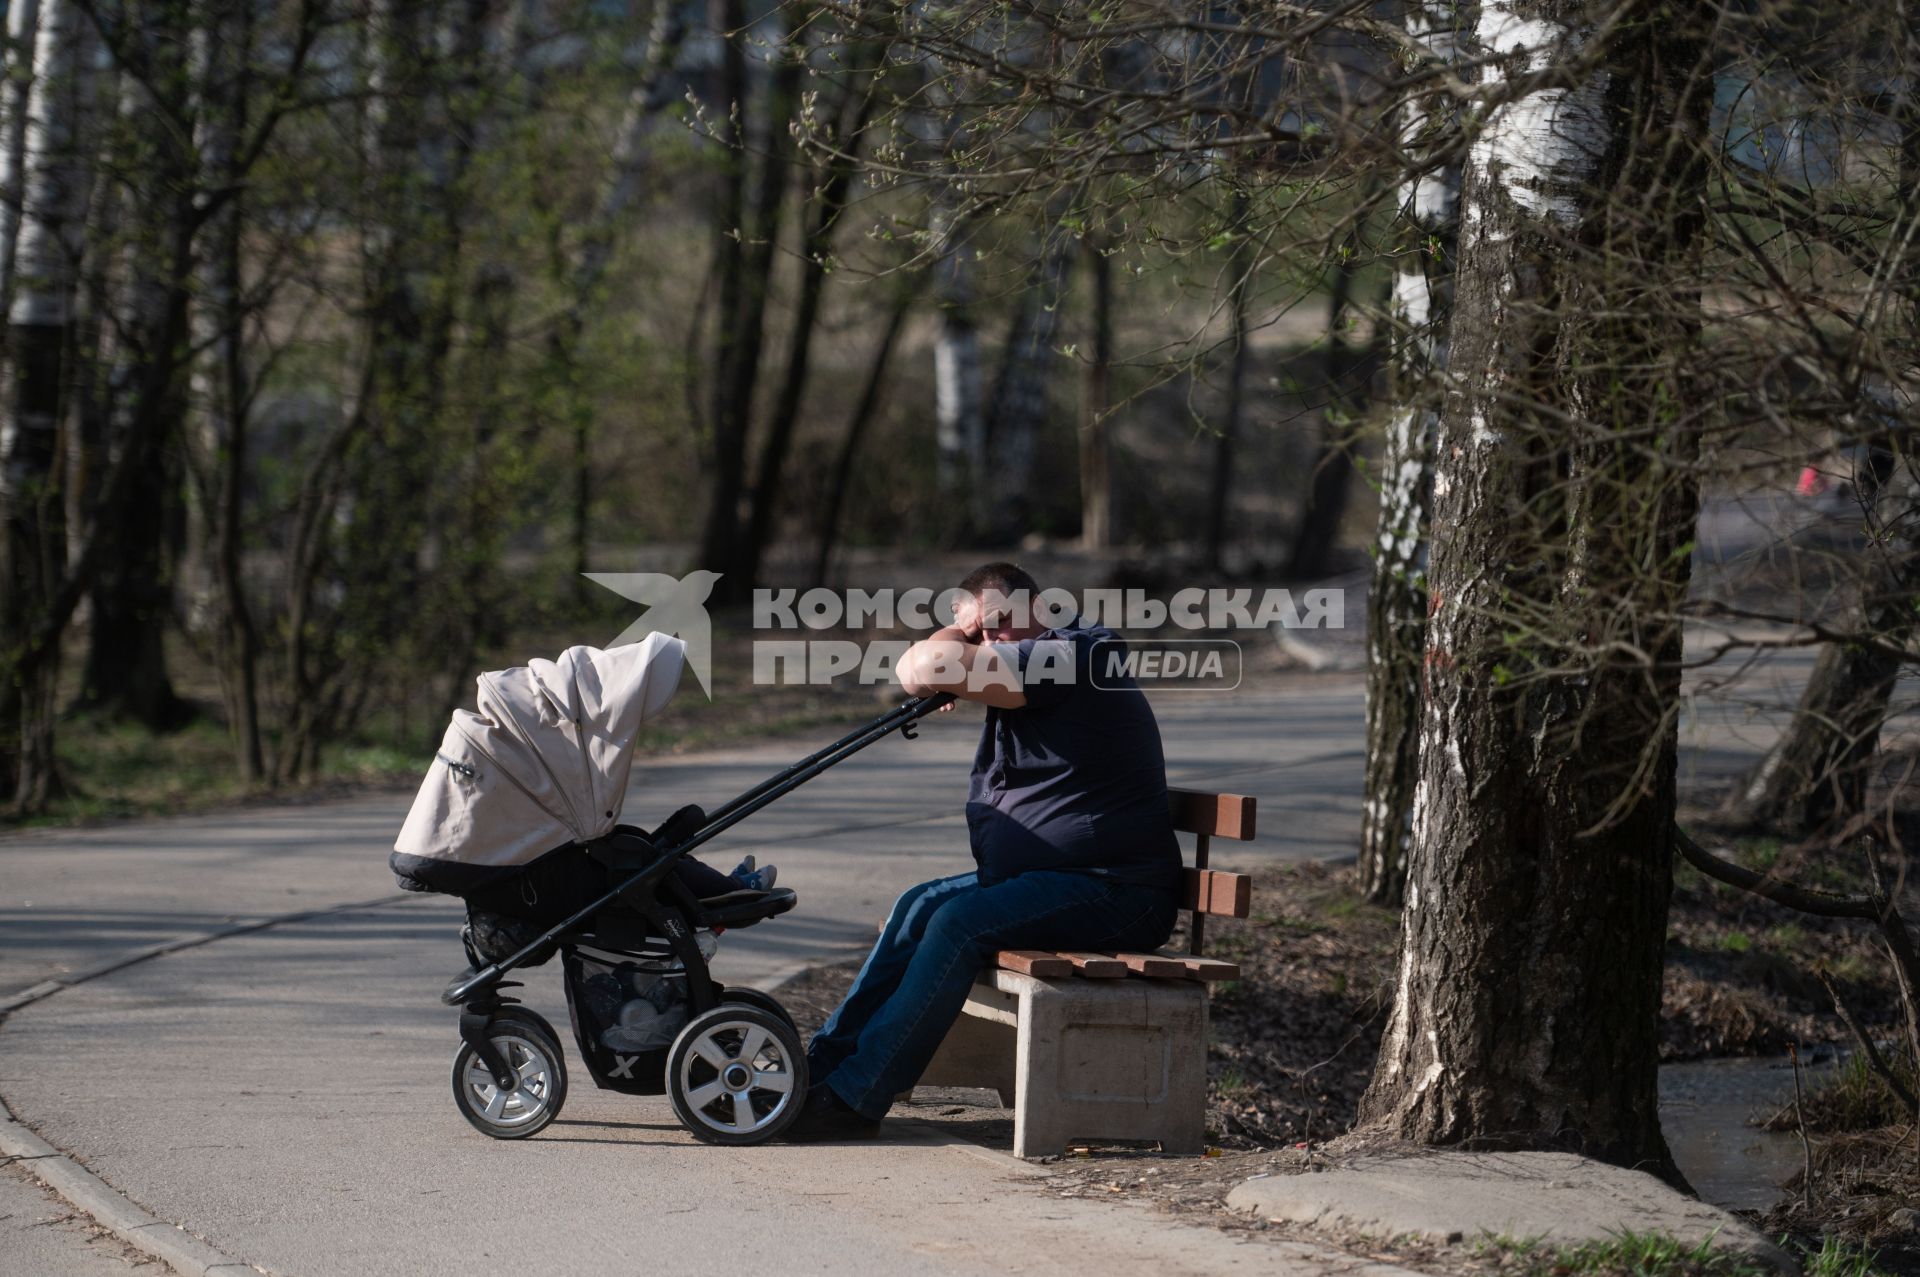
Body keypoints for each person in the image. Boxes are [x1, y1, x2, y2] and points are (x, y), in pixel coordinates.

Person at [784, 562, 1181, 1141]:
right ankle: (821, 1069)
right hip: (1062, 878)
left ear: (1041, 607)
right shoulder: (1026, 662)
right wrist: (957, 647)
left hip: (1118, 889)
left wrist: (951, 654)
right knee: (916, 906)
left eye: (1001, 623)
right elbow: (914, 672)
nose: (992, 641)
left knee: (958, 923)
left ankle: (853, 1098)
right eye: (980, 634)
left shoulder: (1074, 655)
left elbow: (925, 667)